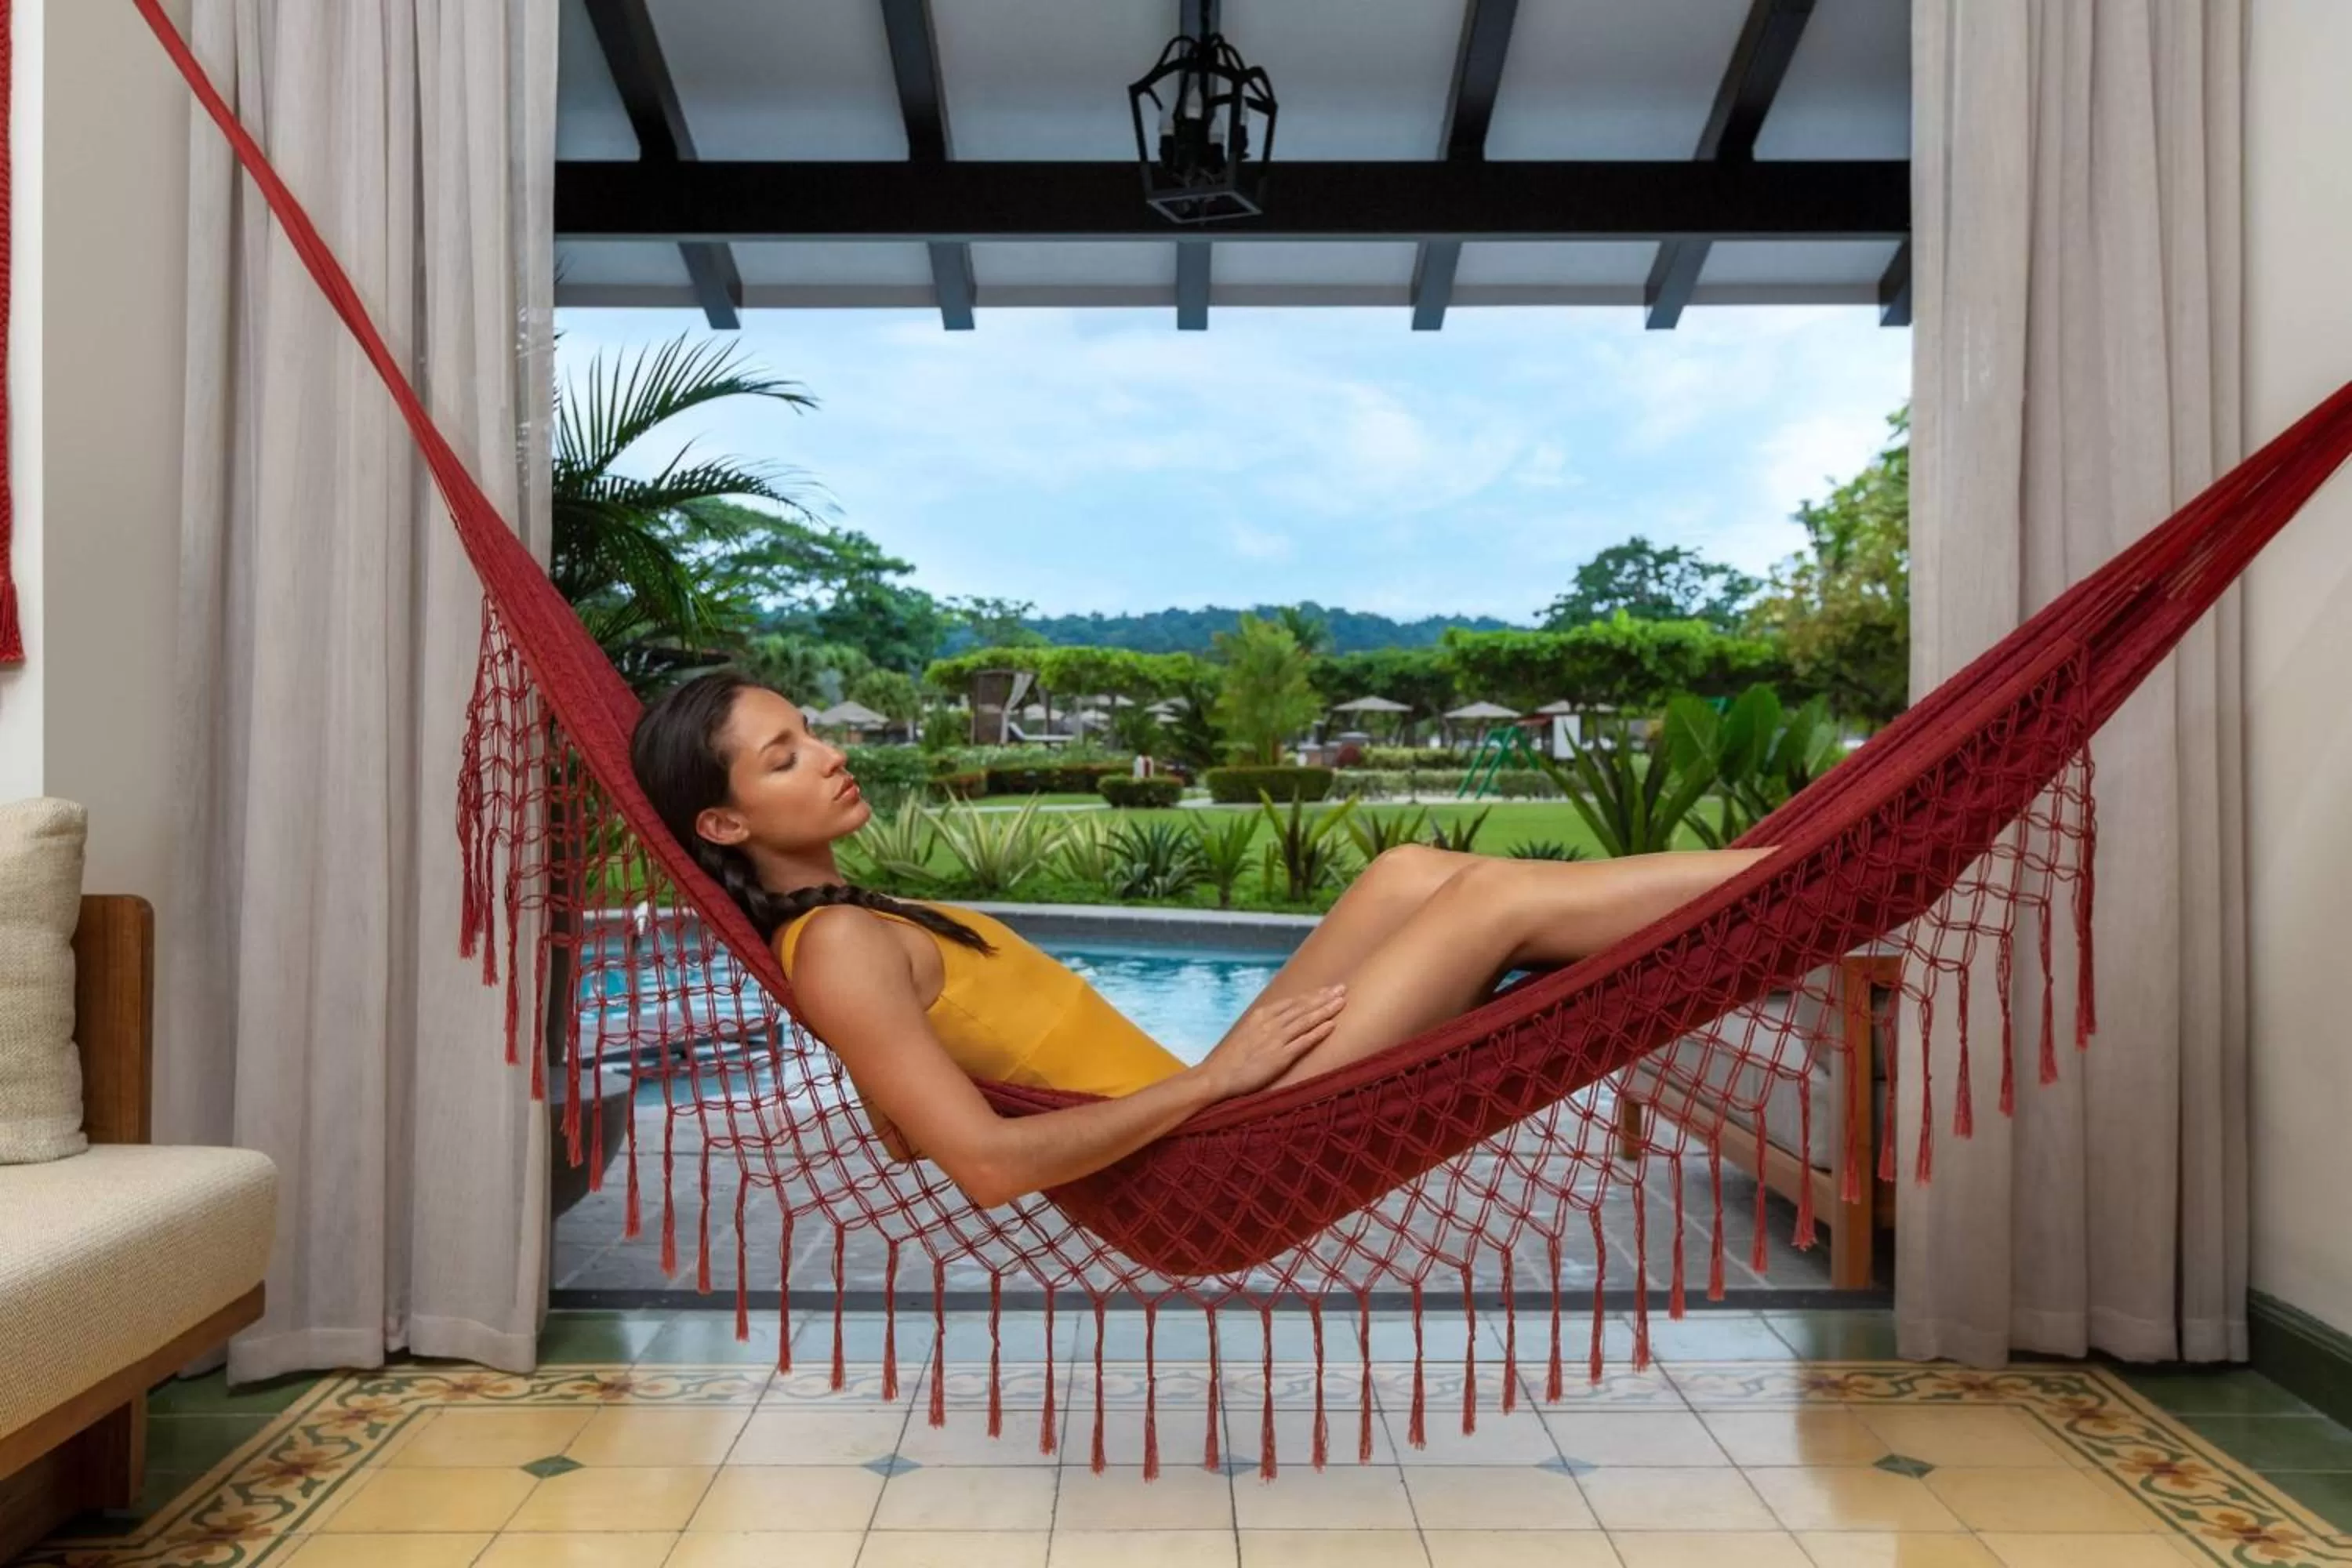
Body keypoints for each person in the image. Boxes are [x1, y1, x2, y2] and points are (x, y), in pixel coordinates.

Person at [631, 670, 1778, 1210]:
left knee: (1407, 874)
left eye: (811, 732)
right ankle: (1795, 873)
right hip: (1223, 1159)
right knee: (1486, 909)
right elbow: (982, 1166)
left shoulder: (849, 922)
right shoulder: (837, 944)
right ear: (724, 824)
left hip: (1211, 1111)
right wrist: (1219, 1082)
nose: (830, 753)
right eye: (785, 756)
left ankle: (1775, 870)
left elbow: (904, 1131)